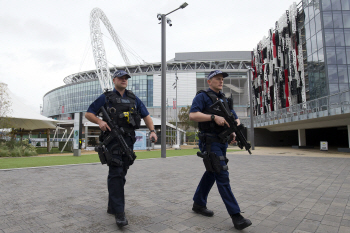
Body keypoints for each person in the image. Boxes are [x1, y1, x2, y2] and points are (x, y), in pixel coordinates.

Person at [85, 70, 158, 228]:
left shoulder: (133, 98)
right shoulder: (106, 98)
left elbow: (146, 115)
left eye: (126, 78)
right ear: (114, 80)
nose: (124, 80)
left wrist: (152, 131)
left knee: (121, 173)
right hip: (113, 142)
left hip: (128, 141)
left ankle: (112, 206)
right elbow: (88, 113)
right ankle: (119, 213)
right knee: (116, 174)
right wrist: (99, 122)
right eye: (121, 78)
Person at [189, 70, 252, 230]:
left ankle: (198, 203)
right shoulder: (202, 96)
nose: (221, 81)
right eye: (217, 79)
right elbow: (193, 115)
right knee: (222, 174)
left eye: (222, 79)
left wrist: (233, 130)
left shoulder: (224, 99)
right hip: (209, 141)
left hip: (222, 141)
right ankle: (236, 216)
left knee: (212, 172)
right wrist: (212, 117)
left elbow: (234, 117)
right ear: (209, 81)